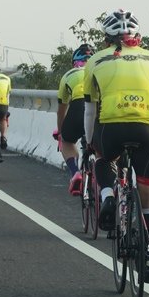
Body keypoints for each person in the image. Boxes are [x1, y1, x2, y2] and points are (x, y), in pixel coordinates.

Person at [83, 9, 149, 283]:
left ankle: (109, 195)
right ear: (137, 36)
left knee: (102, 158)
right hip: (148, 130)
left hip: (112, 127)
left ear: (106, 39)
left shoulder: (95, 61)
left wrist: (89, 142)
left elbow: (89, 111)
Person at [53, 44, 94, 195]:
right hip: (98, 108)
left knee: (67, 141)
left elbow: (61, 110)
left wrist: (60, 132)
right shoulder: (99, 70)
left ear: (74, 62)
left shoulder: (68, 75)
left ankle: (75, 172)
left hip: (78, 106)